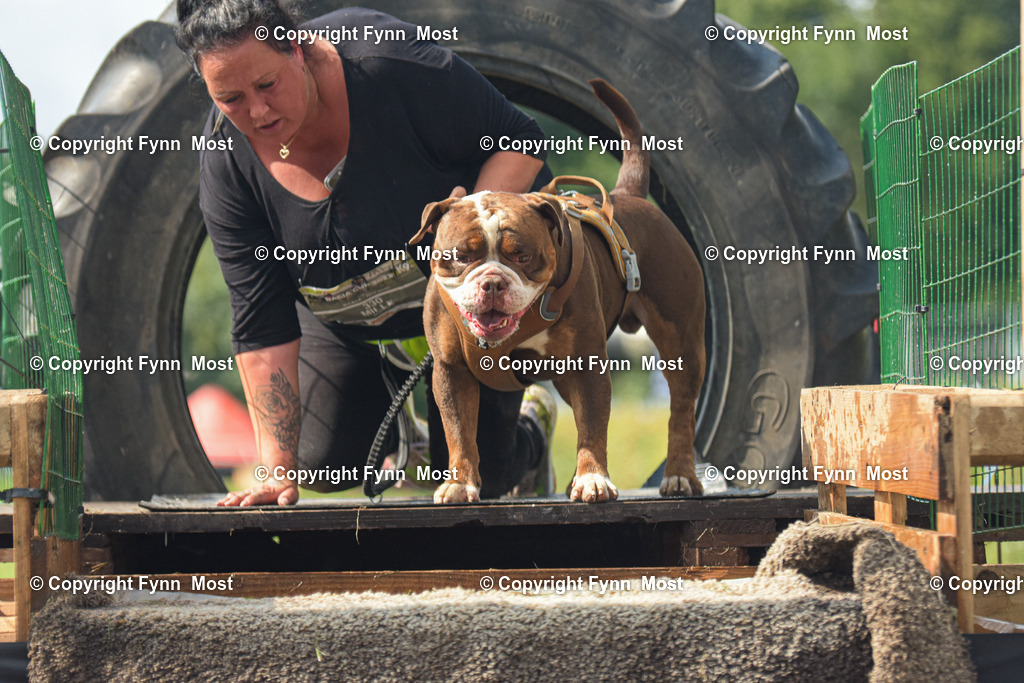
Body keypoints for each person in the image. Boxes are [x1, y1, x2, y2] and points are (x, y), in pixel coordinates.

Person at [174, 1, 557, 506]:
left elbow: (520, 140)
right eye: (231, 98)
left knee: (476, 476)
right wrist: (275, 470)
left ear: (298, 49)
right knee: (320, 461)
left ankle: (531, 426)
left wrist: (474, 251)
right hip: (346, 313)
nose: (258, 112)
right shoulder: (227, 164)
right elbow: (260, 322)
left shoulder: (388, 61)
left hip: (470, 294)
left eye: (267, 85)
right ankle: (402, 423)